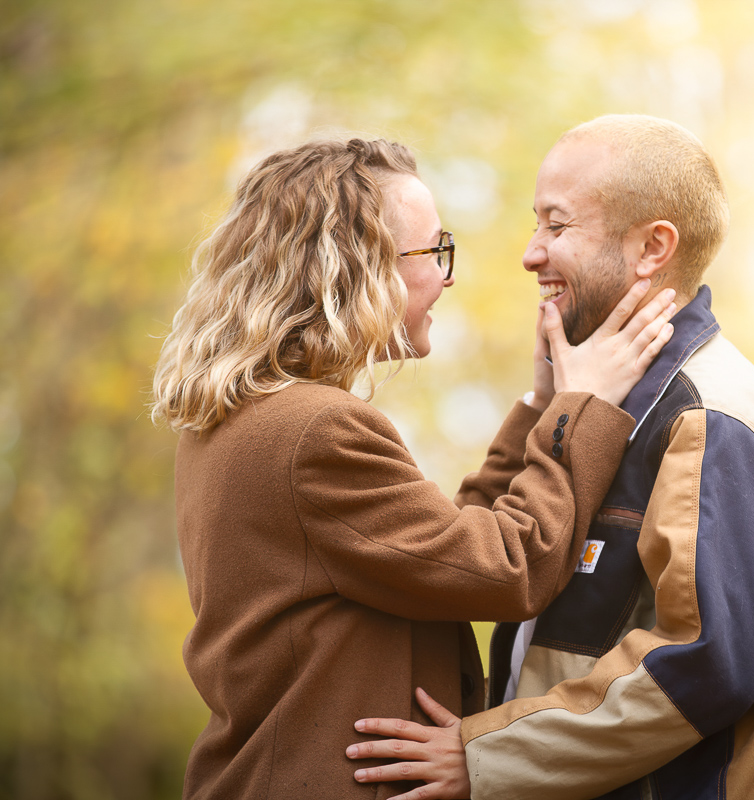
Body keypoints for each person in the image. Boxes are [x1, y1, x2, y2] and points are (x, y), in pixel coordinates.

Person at [150, 137, 678, 799]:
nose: (448, 276)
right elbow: (508, 566)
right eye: (435, 251)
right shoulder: (315, 429)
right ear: (358, 268)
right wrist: (586, 405)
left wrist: (541, 405)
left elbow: (443, 550)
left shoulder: (247, 420)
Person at [348, 116, 754, 800]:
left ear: (653, 247)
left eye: (556, 226)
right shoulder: (595, 400)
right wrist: (550, 408)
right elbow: (487, 557)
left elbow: (710, 660)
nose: (530, 254)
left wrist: (486, 758)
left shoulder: (710, 412)